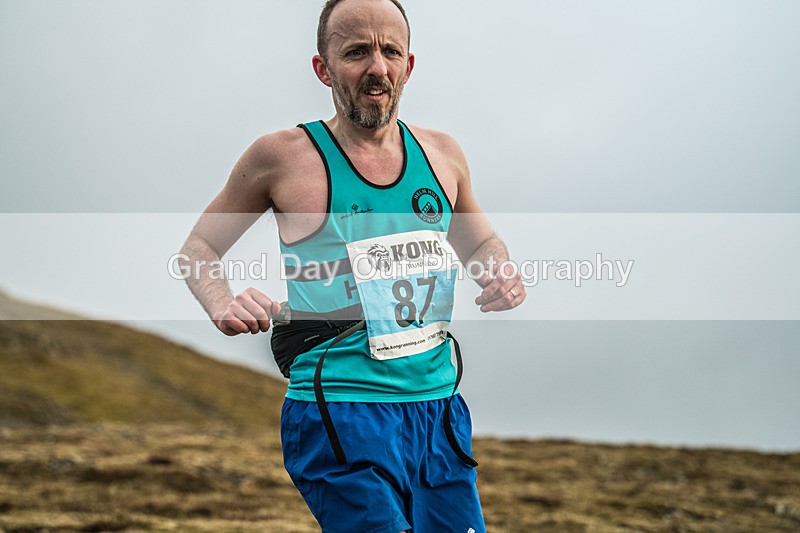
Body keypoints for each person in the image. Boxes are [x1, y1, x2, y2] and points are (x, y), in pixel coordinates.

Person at [179, 0, 526, 531]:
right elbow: (198, 249)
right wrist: (223, 302)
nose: (377, 67)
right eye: (356, 52)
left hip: (437, 409)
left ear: (409, 65)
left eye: (390, 51)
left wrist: (500, 274)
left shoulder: (443, 156)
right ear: (323, 68)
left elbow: (482, 247)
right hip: (339, 406)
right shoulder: (282, 158)